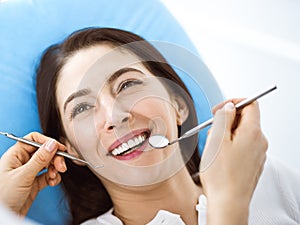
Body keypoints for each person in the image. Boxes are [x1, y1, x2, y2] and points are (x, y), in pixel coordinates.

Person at [0, 28, 299, 225]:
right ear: (71, 148)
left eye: (128, 84)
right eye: (83, 108)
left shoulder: (268, 178)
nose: (114, 116)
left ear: (178, 105)